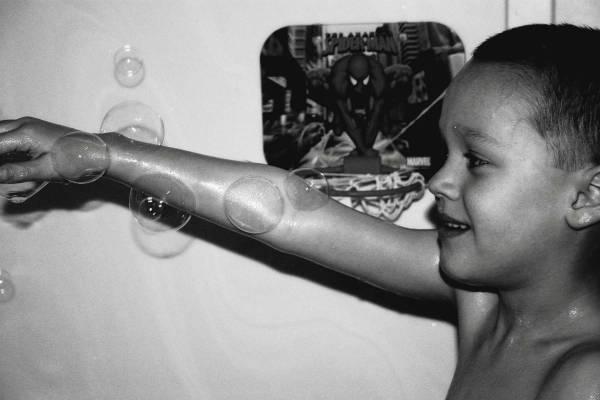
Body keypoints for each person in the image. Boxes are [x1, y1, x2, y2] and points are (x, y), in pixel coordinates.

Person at [1, 23, 600, 399]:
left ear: (588, 196)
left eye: (477, 160)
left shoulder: (584, 377)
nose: (437, 179)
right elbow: (287, 211)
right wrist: (99, 152)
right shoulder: (483, 299)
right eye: (445, 151)